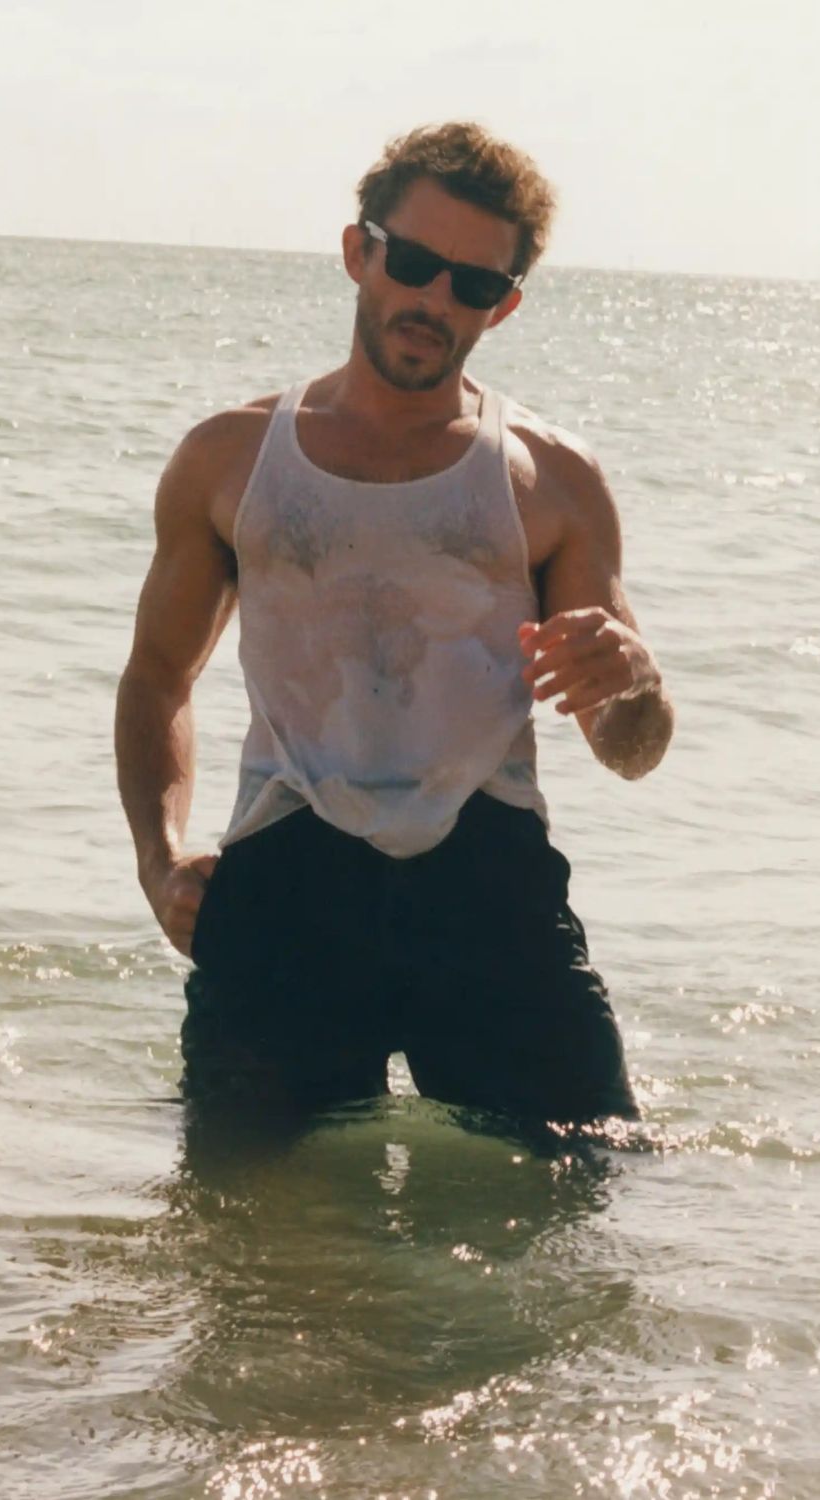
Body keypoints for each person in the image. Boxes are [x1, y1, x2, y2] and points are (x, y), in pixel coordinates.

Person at [115, 122, 674, 1137]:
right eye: (412, 263)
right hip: (286, 879)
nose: (433, 300)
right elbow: (158, 676)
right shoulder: (230, 458)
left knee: (590, 1183)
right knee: (240, 1214)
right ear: (357, 252)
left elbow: (629, 751)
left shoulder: (552, 480)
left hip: (488, 881)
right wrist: (158, 864)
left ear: (504, 305)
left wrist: (634, 681)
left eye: (473, 283)